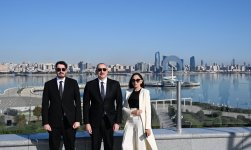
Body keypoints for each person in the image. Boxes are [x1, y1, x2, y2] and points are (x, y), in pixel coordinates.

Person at [42, 61, 82, 150]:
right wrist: (45, 122)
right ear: (55, 70)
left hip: (70, 122)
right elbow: (45, 105)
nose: (61, 71)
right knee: (53, 147)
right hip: (53, 123)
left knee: (70, 147)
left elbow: (78, 103)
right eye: (58, 69)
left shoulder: (73, 83)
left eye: (63, 69)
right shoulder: (48, 84)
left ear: (66, 70)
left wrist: (78, 120)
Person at [83, 63, 122, 150]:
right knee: (95, 146)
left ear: (107, 71)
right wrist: (87, 123)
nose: (102, 71)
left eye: (104, 69)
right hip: (94, 122)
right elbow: (86, 105)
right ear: (96, 71)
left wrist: (117, 122)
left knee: (109, 146)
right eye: (99, 69)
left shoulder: (115, 84)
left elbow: (119, 104)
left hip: (110, 121)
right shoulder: (90, 85)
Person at [122, 73, 158, 150]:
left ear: (141, 81)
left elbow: (148, 110)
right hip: (130, 120)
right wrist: (132, 112)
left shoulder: (145, 92)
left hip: (140, 121)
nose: (135, 82)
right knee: (126, 144)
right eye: (133, 80)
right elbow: (124, 108)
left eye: (138, 80)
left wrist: (147, 127)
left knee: (140, 145)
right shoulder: (127, 92)